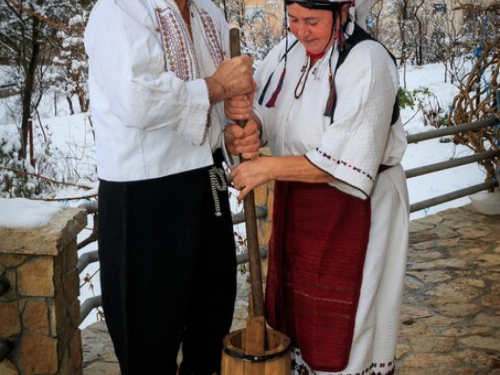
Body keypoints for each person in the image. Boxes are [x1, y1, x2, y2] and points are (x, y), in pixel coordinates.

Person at [224, 0, 409, 374]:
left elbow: (348, 159)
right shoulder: (288, 53)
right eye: (293, 19)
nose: (301, 31)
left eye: (312, 21)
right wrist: (247, 131)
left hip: (356, 209)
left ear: (342, 11)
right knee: (297, 314)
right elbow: (267, 113)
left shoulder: (367, 61)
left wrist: (264, 168)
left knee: (346, 319)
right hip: (299, 202)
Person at [84, 0, 258, 374]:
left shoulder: (208, 12)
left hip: (206, 181)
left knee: (210, 324)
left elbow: (215, 109)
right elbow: (138, 99)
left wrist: (229, 137)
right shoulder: (117, 10)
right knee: (147, 341)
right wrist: (217, 85)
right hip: (143, 193)